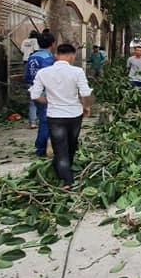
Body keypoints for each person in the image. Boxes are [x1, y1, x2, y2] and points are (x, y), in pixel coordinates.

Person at [29, 44, 93, 188]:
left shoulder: (43, 73)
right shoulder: (77, 72)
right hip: (74, 115)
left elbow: (35, 95)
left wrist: (49, 101)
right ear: (72, 56)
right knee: (71, 145)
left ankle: (64, 177)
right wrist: (87, 107)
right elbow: (85, 93)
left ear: (56, 55)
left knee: (60, 148)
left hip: (55, 115)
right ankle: (67, 178)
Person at [24, 34, 55, 155]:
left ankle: (33, 123)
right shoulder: (48, 58)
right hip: (44, 91)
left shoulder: (32, 56)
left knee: (38, 112)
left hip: (32, 88)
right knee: (46, 120)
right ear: (52, 44)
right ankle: (41, 148)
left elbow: (27, 75)